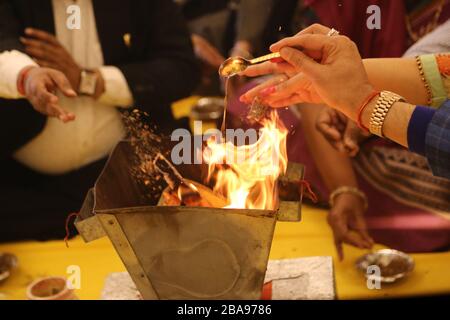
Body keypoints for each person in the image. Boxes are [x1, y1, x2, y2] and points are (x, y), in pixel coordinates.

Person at [240, 23, 450, 258]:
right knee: (270, 98)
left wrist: (365, 105)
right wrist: (339, 84)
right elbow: (437, 70)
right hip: (387, 113)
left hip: (419, 146)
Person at [0, 0, 200, 242]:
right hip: (25, 190)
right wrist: (27, 77)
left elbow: (181, 67)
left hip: (125, 178)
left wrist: (90, 81)